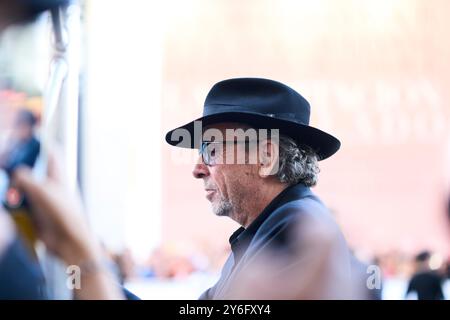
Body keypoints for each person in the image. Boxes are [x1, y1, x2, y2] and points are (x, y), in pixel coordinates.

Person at [165, 78, 368, 299]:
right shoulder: (265, 228)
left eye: (211, 151)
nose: (198, 169)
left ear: (266, 158)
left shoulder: (296, 229)